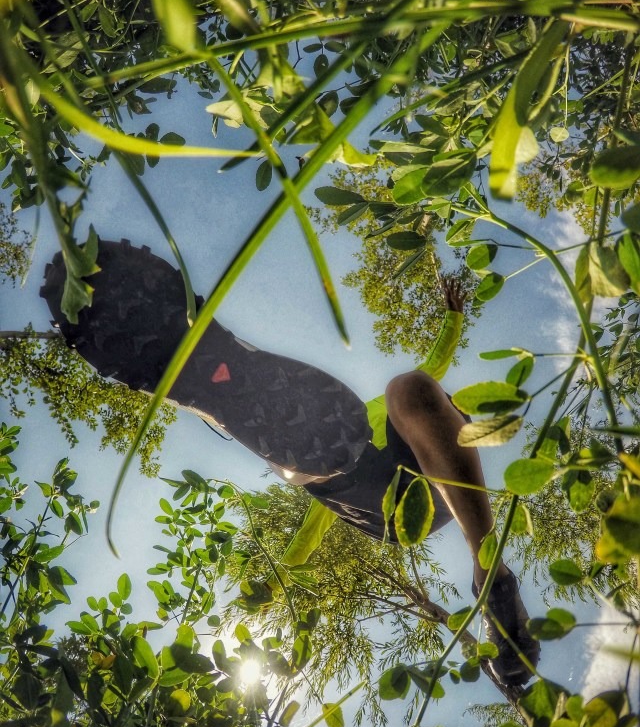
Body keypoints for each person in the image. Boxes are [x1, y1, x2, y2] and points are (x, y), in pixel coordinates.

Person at [41, 237, 539, 687]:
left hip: (426, 496)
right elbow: (306, 539)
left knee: (409, 389)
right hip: (361, 490)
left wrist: (453, 320)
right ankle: (206, 387)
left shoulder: (414, 415)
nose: (457, 411)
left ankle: (490, 575)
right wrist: (272, 587)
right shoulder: (371, 412)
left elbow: (432, 379)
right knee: (350, 427)